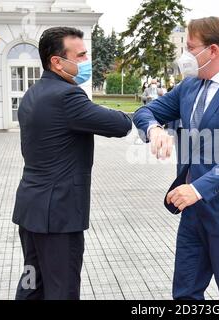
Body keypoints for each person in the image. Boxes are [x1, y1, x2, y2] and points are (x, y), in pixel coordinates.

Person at [133, 17, 219, 300]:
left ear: (212, 51)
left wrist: (197, 189)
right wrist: (154, 128)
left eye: (189, 47)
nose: (184, 55)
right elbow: (144, 112)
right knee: (184, 293)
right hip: (192, 212)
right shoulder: (190, 86)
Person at [12, 27, 132, 300]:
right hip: (58, 217)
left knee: (32, 282)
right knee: (61, 289)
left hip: (31, 211)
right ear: (57, 61)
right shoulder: (67, 96)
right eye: (80, 55)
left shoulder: (32, 93)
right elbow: (120, 125)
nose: (86, 60)